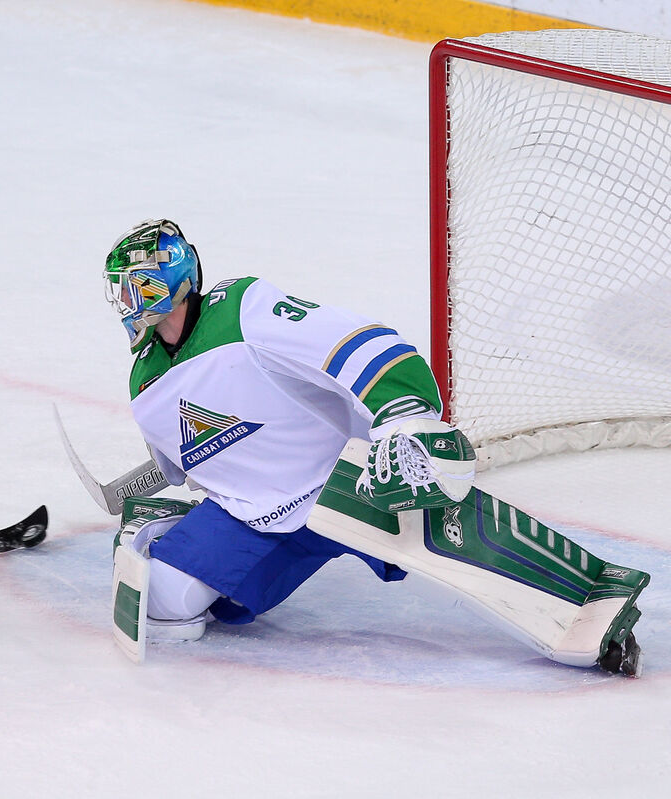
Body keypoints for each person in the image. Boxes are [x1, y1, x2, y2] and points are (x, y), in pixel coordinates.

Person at [102, 218, 646, 675]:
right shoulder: (144, 383)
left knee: (452, 536)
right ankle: (186, 536)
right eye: (121, 291)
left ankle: (590, 597)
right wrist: (146, 487)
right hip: (253, 513)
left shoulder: (242, 310)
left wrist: (400, 412)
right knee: (167, 604)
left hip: (350, 480)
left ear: (178, 279)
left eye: (141, 286)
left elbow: (362, 341)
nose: (130, 303)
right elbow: (187, 457)